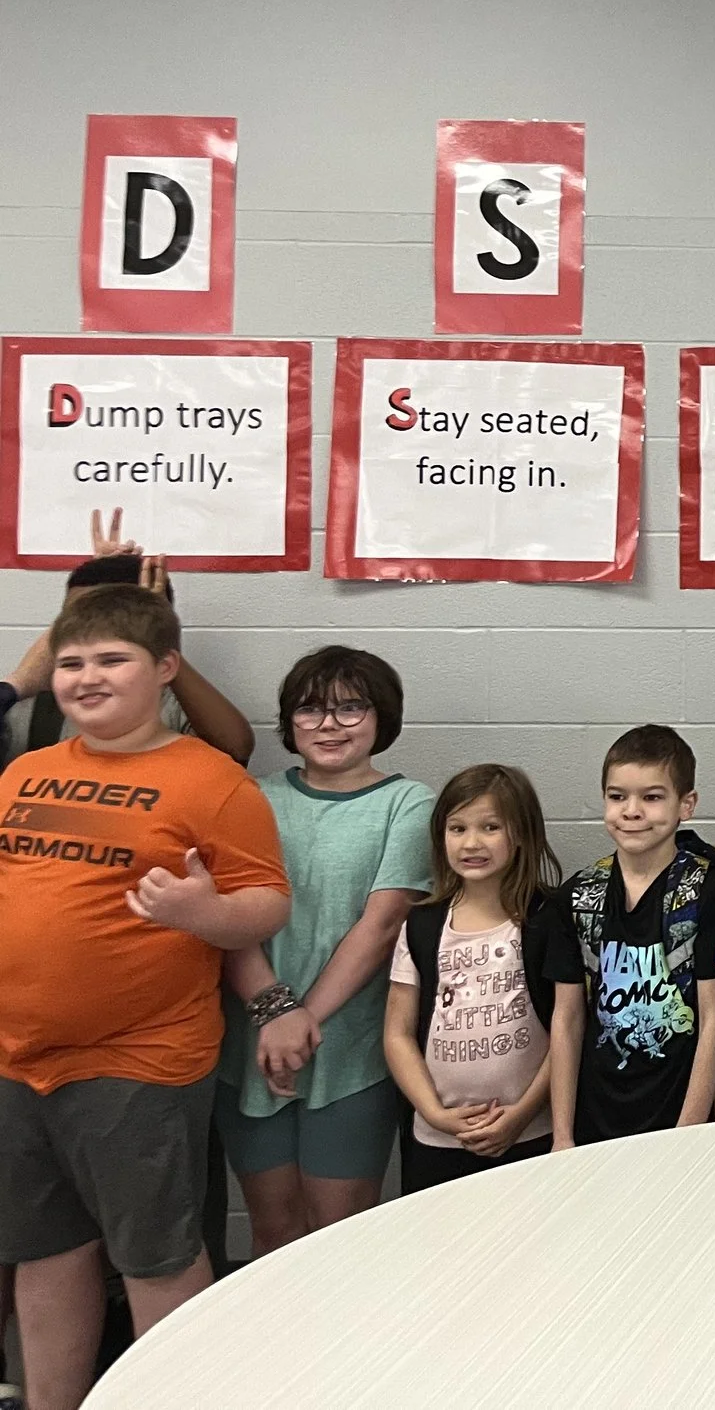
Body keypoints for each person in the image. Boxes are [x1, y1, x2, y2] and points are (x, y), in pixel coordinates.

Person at [0, 582, 288, 1410]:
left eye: (111, 659)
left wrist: (202, 911)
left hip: (137, 1064)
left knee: (156, 1255)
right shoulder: (28, 769)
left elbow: (266, 901)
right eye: (71, 662)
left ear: (164, 668)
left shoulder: (211, 780)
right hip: (21, 1064)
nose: (87, 677)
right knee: (45, 1251)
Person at [217, 646, 433, 1254]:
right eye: (311, 710)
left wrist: (302, 1019)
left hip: (351, 1053)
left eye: (350, 708)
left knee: (339, 1243)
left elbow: (381, 924)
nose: (330, 725)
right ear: (289, 723)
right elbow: (228, 922)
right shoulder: (249, 798)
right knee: (274, 1234)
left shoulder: (408, 803)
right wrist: (274, 1015)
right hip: (252, 1049)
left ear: (381, 717)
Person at [548, 725, 715, 1147]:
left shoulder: (707, 891)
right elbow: (567, 1020)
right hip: (597, 1114)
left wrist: (688, 1133)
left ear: (685, 804)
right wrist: (562, 1134)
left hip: (677, 1111)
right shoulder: (579, 897)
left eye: (652, 797)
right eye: (617, 797)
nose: (631, 811)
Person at [383, 764, 564, 1191]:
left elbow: (568, 1029)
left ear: (519, 833)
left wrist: (521, 1114)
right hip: (439, 1140)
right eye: (457, 828)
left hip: (528, 1133)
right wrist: (433, 1112)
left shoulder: (545, 919)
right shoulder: (422, 925)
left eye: (490, 827)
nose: (471, 843)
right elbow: (397, 1033)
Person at [4, 513, 255, 770]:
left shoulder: (174, 702)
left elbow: (235, 750)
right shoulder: (34, 704)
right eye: (80, 614)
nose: (92, 625)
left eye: (111, 614)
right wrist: (19, 683)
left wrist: (156, 629)